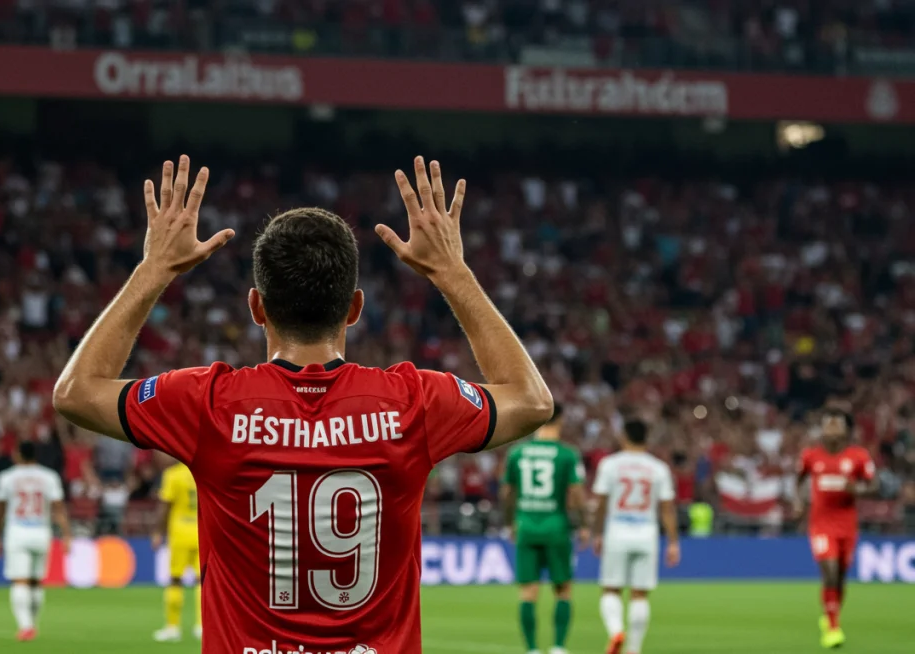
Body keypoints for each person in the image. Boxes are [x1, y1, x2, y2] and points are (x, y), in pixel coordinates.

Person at [53, 155, 553, 653]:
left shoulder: (208, 403)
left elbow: (77, 392)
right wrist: (451, 272)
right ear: (355, 308)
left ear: (256, 307)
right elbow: (531, 401)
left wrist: (155, 268)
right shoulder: (412, 402)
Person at [501, 404, 587, 654]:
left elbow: (507, 493)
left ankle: (532, 649)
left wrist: (509, 522)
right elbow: (576, 493)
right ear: (560, 421)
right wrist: (583, 524)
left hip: (526, 525)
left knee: (528, 591)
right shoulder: (567, 454)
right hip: (556, 526)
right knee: (563, 589)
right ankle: (558, 647)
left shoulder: (517, 453)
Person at [590, 419, 680, 654]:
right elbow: (667, 509)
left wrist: (597, 533)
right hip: (646, 534)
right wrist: (673, 542)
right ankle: (634, 649)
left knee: (611, 589)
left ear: (623, 437)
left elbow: (601, 503)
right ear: (647, 438)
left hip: (617, 532)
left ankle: (616, 631)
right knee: (640, 594)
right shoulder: (658, 468)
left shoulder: (610, 465)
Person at [795, 408, 876, 649]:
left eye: (836, 424)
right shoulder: (811, 456)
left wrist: (858, 489)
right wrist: (798, 502)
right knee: (829, 571)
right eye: (827, 424)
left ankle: (831, 613)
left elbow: (875, 485)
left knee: (840, 575)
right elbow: (798, 480)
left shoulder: (858, 456)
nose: (831, 428)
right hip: (821, 523)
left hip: (847, 524)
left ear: (846, 430)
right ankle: (832, 628)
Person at [0, 440, 71, 642]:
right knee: (36, 582)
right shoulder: (49, 476)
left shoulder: (7, 477)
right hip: (41, 532)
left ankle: (26, 627)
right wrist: (66, 535)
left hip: (17, 532)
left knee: (20, 580)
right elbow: (59, 509)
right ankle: (32, 624)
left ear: (18, 454)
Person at [151, 453, 202, 642]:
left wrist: (158, 532)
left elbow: (165, 506)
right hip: (201, 532)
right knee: (202, 582)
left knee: (175, 580)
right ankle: (202, 626)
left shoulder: (172, 475)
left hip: (180, 533)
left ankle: (173, 627)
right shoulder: (201, 472)